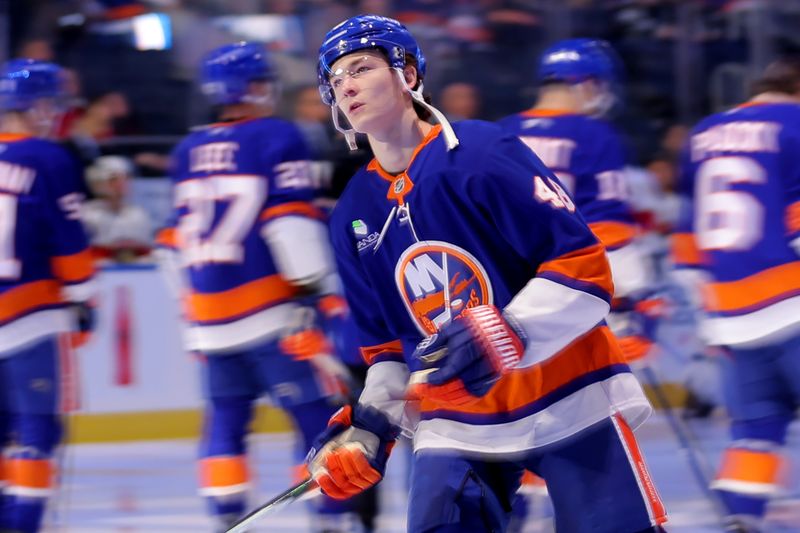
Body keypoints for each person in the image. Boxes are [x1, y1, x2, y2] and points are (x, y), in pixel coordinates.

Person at [307, 15, 667, 533]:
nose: (346, 86)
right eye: (335, 82)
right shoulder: (352, 214)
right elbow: (388, 351)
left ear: (407, 74)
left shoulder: (482, 152)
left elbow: (585, 270)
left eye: (361, 68)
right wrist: (369, 429)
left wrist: (511, 328)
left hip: (568, 390)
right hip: (458, 420)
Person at [155, 42, 357, 532]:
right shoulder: (276, 135)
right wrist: (319, 295)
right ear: (259, 86)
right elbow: (288, 222)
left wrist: (192, 316)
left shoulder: (186, 150)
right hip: (273, 311)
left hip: (209, 318)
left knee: (224, 422)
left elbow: (167, 244)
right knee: (318, 419)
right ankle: (329, 520)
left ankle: (225, 519)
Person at [672, 56, 800, 532]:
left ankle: (742, 521)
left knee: (753, 437)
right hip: (792, 304)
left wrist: (712, 314)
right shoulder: (795, 123)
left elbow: (685, 244)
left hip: (729, 315)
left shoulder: (704, 133)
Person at [498, 38, 658, 364]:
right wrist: (634, 299)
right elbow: (609, 225)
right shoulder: (593, 133)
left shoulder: (499, 132)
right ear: (587, 84)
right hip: (566, 286)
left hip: (501, 287)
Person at [0, 59, 95, 533]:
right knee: (37, 431)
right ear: (38, 106)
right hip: (30, 316)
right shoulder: (48, 157)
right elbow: (71, 246)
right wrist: (84, 299)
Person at [82, 155, 153, 262]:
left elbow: (147, 252)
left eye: (126, 178)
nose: (122, 184)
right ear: (97, 183)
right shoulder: (86, 214)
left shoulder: (138, 214)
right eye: (113, 179)